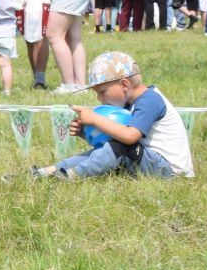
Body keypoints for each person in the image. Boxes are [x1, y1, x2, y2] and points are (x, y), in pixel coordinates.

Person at [22, 50, 194, 180]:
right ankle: (49, 171)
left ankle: (69, 176)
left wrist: (95, 119)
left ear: (124, 84)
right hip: (151, 160)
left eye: (102, 91)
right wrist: (86, 134)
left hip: (170, 171)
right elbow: (112, 142)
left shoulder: (149, 100)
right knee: (108, 150)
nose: (99, 98)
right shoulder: (132, 103)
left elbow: (129, 137)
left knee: (120, 149)